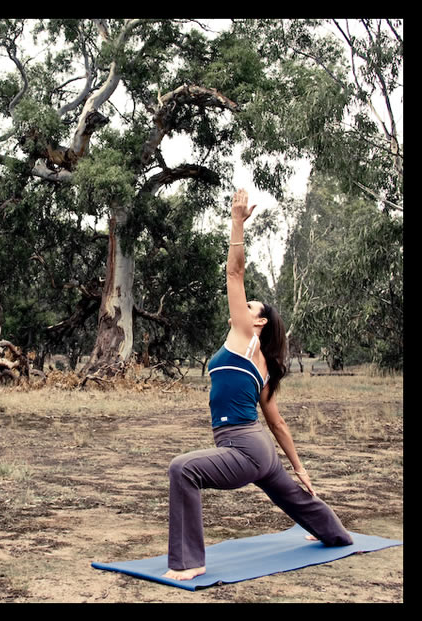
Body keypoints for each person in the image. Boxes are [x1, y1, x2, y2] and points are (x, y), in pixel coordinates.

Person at [163, 188, 353, 581]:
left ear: (260, 321)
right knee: (296, 500)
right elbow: (277, 423)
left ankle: (189, 564)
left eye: (251, 307)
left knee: (183, 469)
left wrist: (236, 222)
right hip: (260, 451)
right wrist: (300, 469)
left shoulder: (243, 335)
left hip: (242, 447)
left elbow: (235, 272)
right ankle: (338, 535)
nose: (243, 307)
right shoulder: (263, 364)